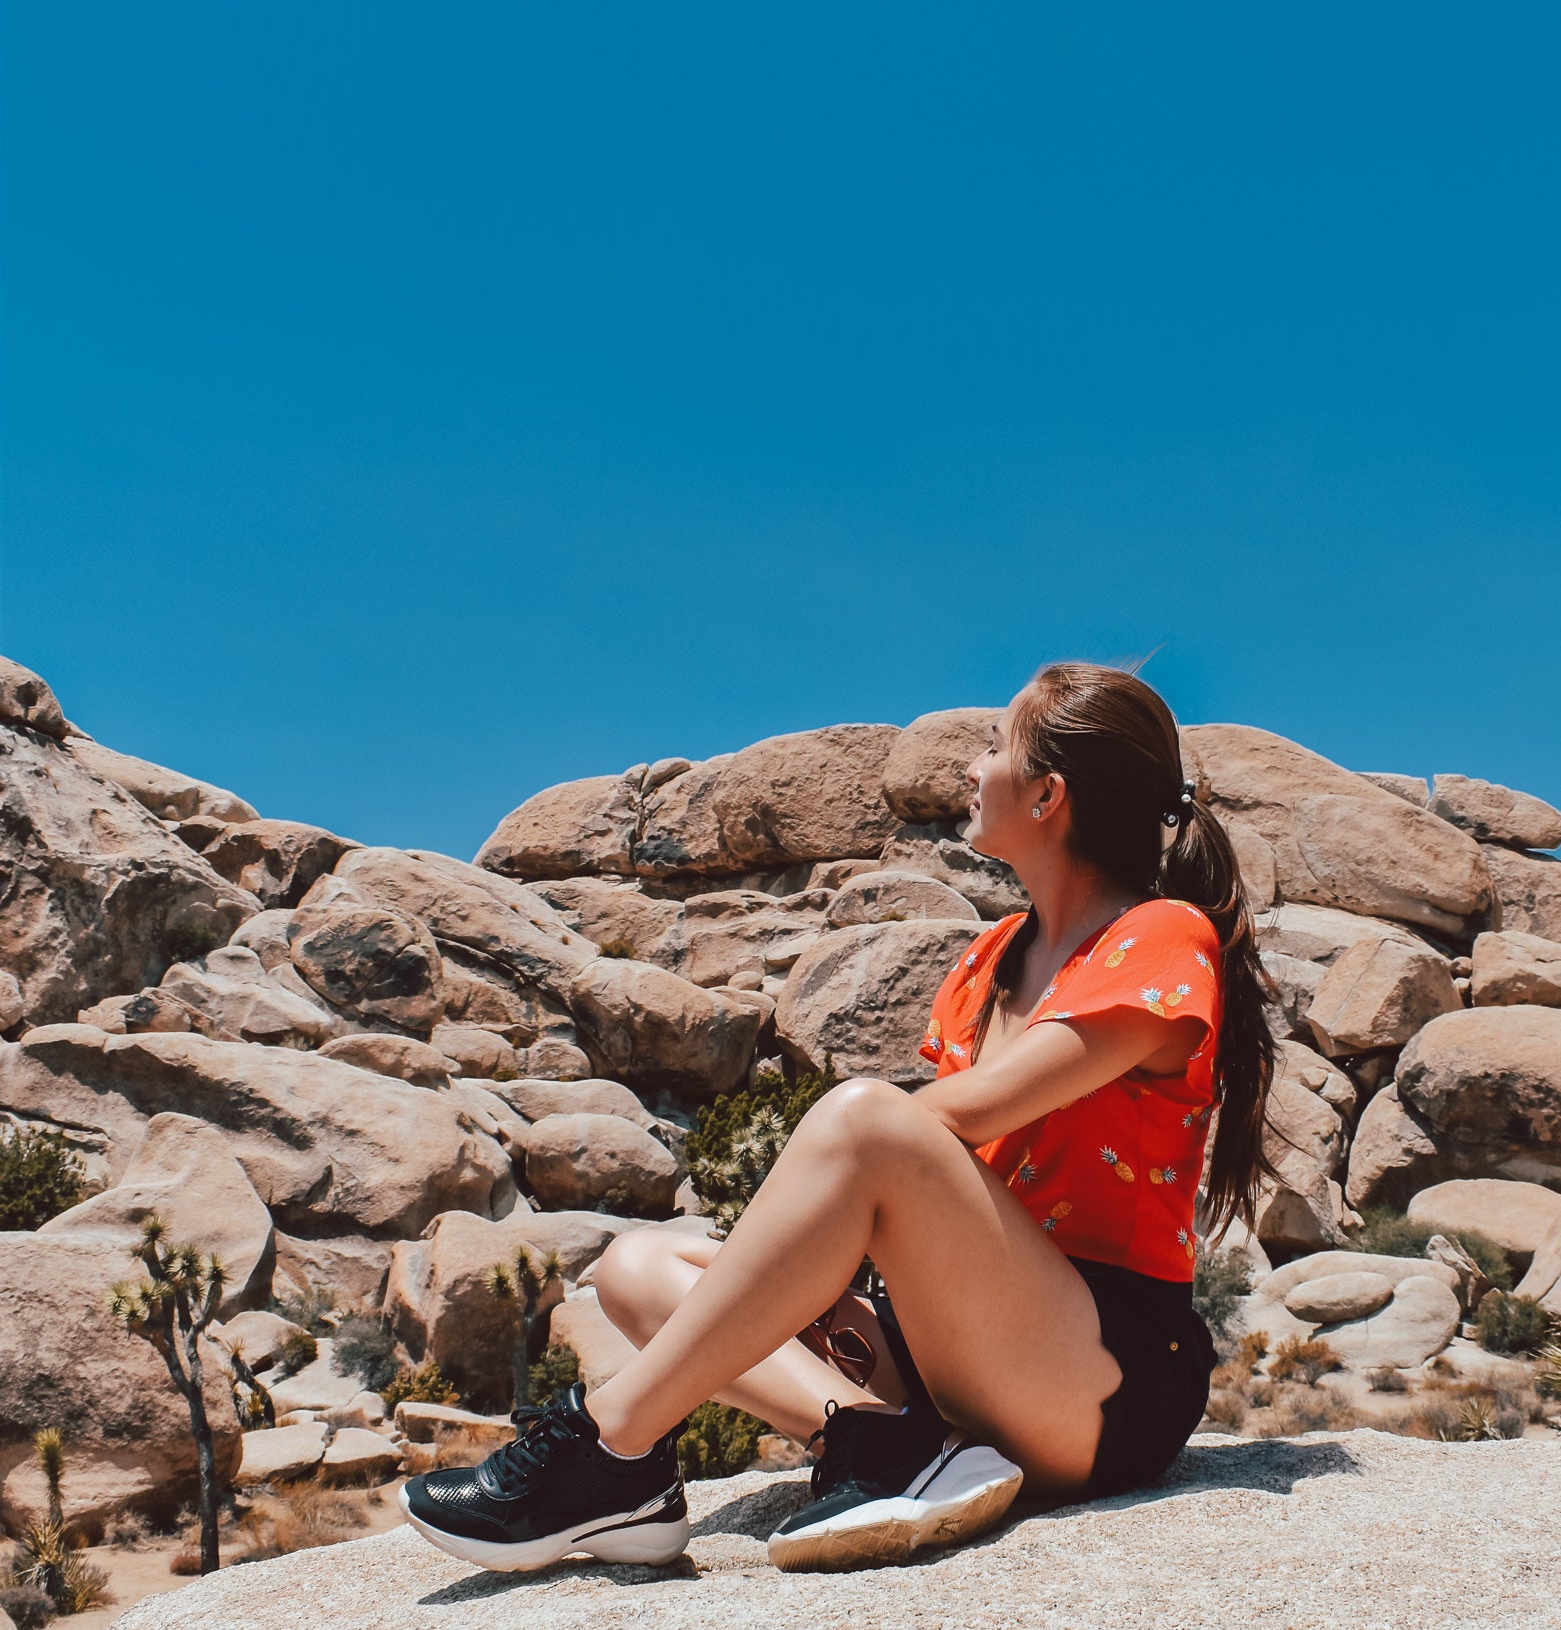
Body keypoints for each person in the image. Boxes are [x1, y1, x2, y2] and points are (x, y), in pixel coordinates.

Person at [402, 662, 1273, 1574]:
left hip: (1102, 1374)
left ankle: (611, 1446)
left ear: (1050, 794)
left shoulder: (1162, 935)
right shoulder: (985, 960)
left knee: (866, 1122)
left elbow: (970, 1113)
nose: (971, 768)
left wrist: (829, 1196)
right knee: (638, 1267)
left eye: (993, 746)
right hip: (958, 1343)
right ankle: (888, 1447)